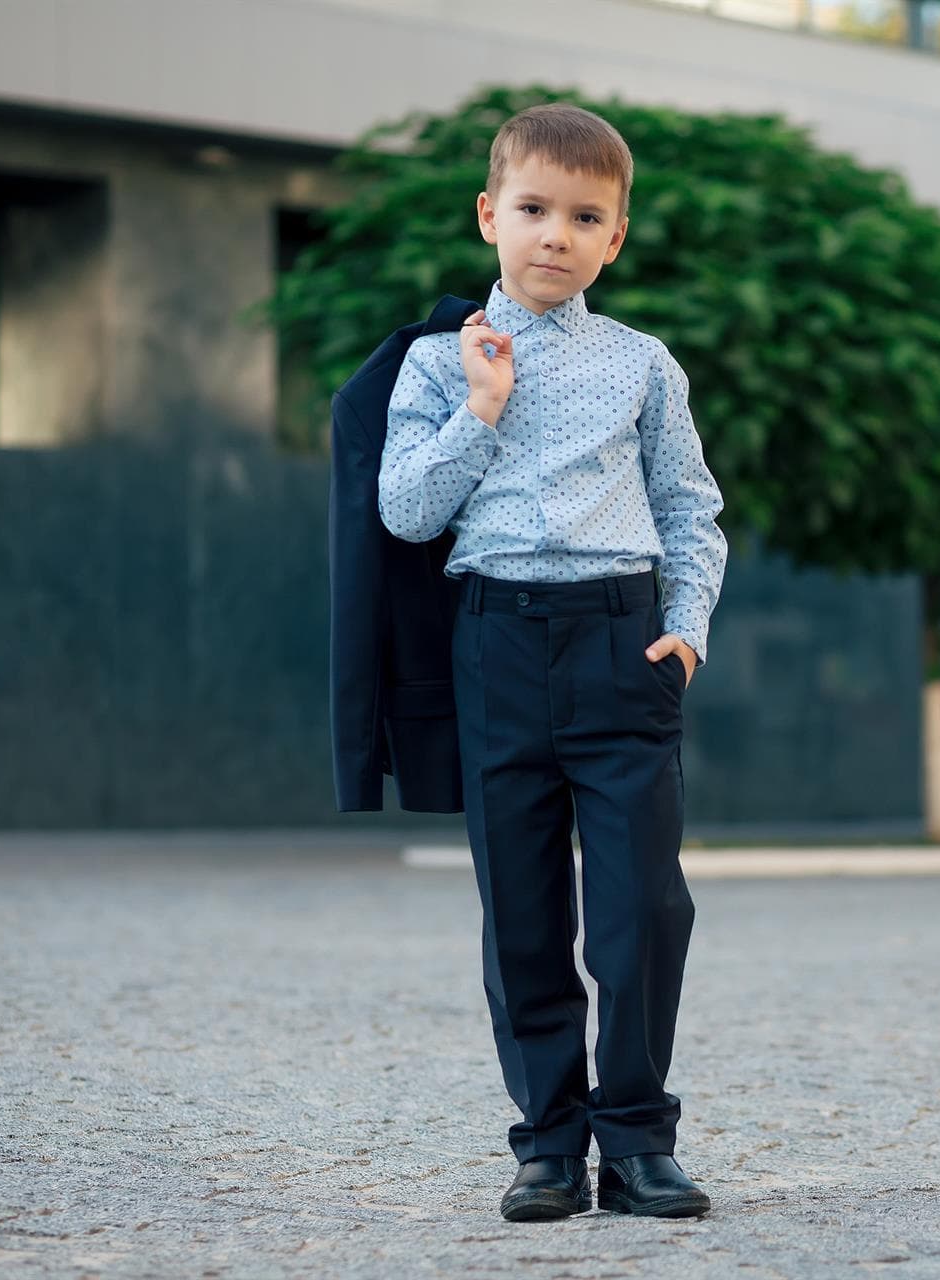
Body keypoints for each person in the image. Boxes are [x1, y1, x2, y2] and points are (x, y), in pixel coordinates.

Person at [378, 103, 727, 1220]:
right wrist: (482, 408)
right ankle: (547, 1143)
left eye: (585, 217)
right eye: (533, 210)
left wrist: (687, 626)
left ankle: (635, 1140)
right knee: (522, 909)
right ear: (491, 215)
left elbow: (689, 506)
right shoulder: (439, 364)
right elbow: (403, 510)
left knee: (642, 909)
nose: (555, 235)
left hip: (623, 645)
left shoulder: (642, 363)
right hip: (497, 643)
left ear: (614, 237)